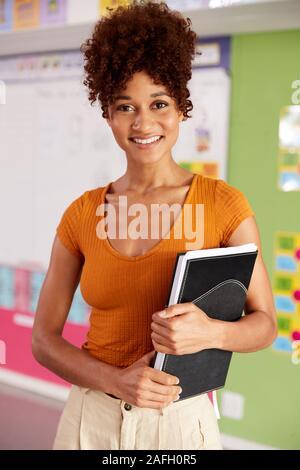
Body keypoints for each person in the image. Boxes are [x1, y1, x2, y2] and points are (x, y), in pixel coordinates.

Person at [32, 1, 277, 450]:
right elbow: (44, 341)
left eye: (159, 103)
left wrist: (213, 331)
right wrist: (117, 381)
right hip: (90, 419)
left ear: (181, 108)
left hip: (179, 422)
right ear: (107, 113)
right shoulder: (81, 214)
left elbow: (265, 324)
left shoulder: (223, 205)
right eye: (125, 106)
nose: (144, 122)